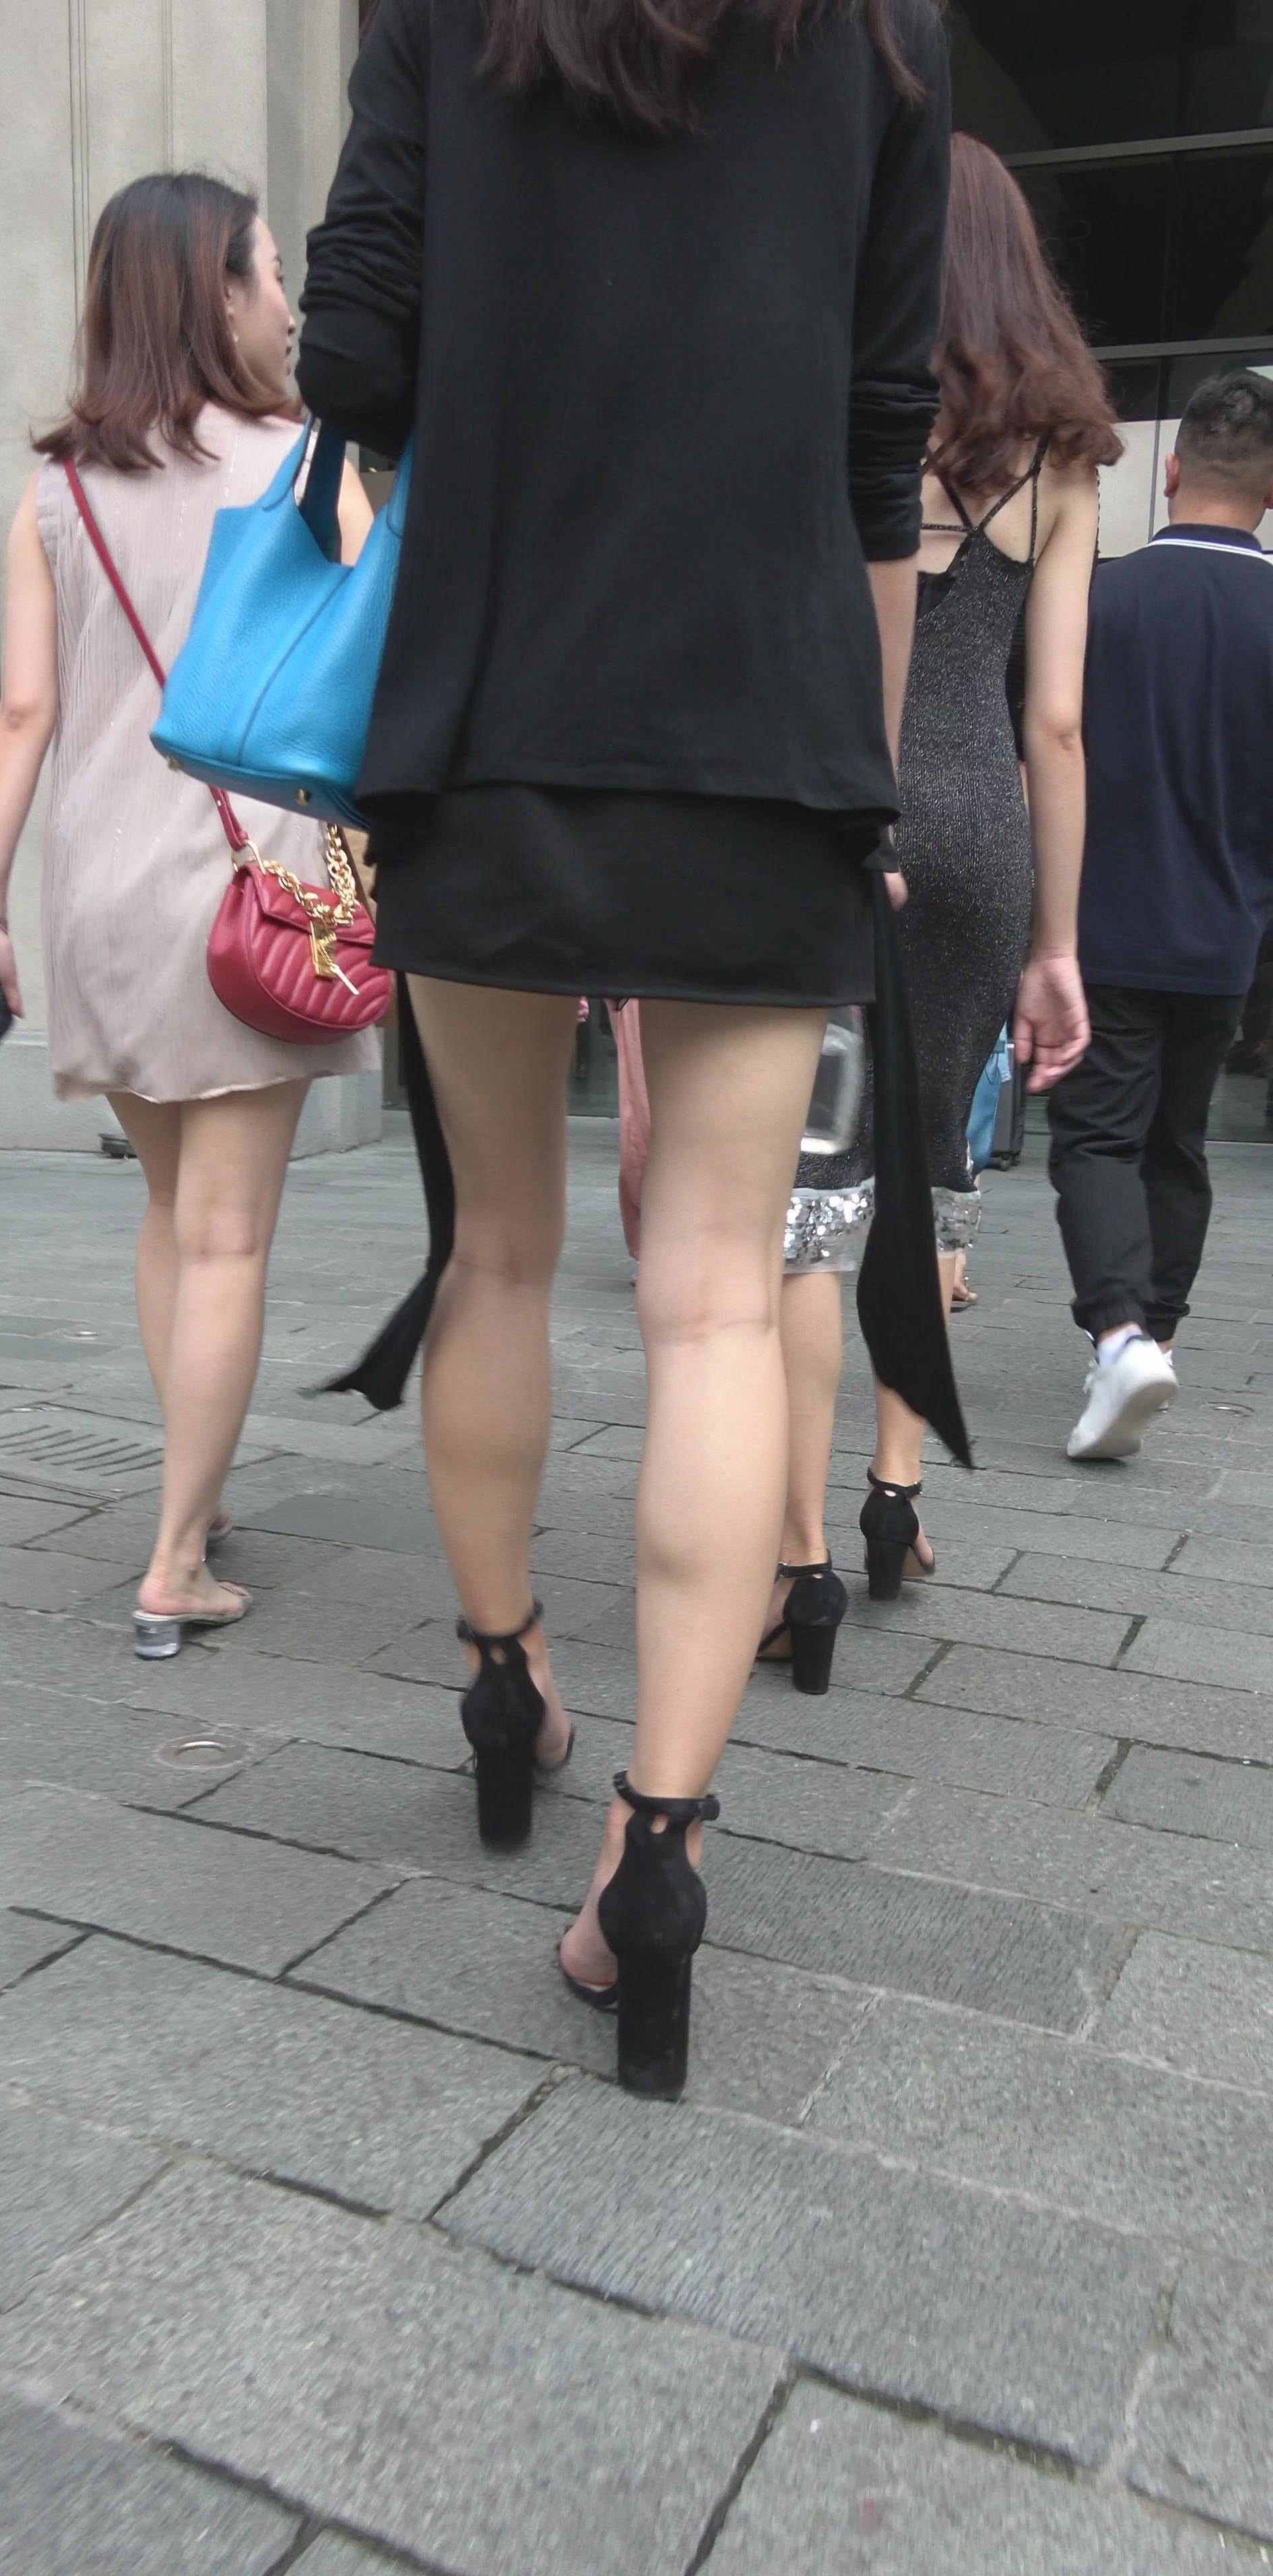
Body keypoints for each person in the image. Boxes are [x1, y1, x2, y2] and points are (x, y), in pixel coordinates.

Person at [298, 0, 955, 2096]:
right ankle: (655, 1858)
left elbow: (354, 357)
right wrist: (855, 776)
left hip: (489, 707)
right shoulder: (882, 29)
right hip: (769, 723)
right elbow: (882, 435)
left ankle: (507, 1682)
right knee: (716, 1299)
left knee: (497, 1248)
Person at [0, 172, 377, 1656]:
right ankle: (177, 1558)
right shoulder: (306, 463)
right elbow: (367, 678)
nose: (286, 304)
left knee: (169, 1210)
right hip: (253, 887)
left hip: (103, 889)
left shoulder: (54, 489)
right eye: (269, 273)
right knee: (231, 1237)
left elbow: (23, 714)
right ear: (215, 293)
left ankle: (198, 1486)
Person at [757, 131, 1113, 1673]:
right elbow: (1057, 724)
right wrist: (1058, 942)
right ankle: (894, 1493)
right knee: (922, 1177)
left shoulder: (838, 408)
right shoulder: (1062, 462)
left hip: (841, 826)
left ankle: (798, 1562)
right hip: (981, 840)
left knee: (803, 1210)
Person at [1050, 370, 1273, 1463]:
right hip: (1226, 932)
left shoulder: (1100, 598)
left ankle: (1121, 1336)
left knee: (1097, 1135)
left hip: (1103, 920)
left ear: (1172, 468)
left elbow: (1051, 741)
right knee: (1177, 1144)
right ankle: (1156, 1339)